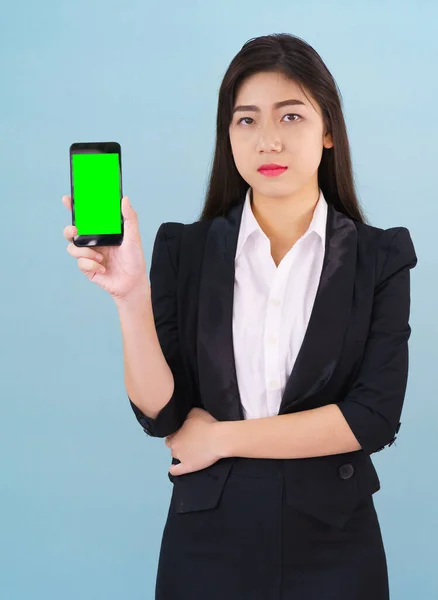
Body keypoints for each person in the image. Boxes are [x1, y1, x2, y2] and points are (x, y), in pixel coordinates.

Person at [63, 33, 418, 600]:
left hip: (334, 543)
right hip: (207, 539)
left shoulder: (380, 257)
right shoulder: (186, 250)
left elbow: (372, 419)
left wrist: (223, 439)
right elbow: (163, 413)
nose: (268, 140)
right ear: (227, 135)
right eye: (246, 121)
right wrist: (128, 296)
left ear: (328, 130)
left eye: (291, 116)